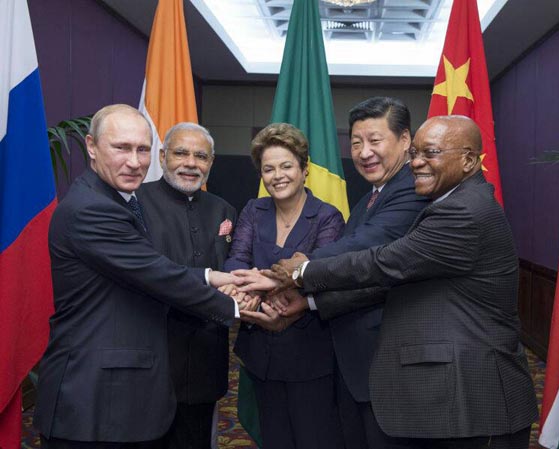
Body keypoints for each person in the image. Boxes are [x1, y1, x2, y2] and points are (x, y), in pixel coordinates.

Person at [249, 116, 539, 449]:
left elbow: (384, 262)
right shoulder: (447, 203)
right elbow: (400, 281)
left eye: (431, 153)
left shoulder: (463, 211)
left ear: (469, 160)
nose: (416, 162)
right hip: (455, 400)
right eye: (415, 153)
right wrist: (311, 302)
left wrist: (303, 272)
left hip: (476, 399)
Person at [33, 104, 253, 449]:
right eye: (121, 148)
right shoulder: (93, 208)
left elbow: (149, 270)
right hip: (93, 402)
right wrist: (240, 308)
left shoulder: (115, 199)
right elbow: (157, 275)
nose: (135, 162)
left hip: (119, 397)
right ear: (91, 146)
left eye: (142, 149)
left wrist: (212, 276)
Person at [240, 96, 428, 449]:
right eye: (356, 143)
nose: (364, 152)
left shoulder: (411, 191)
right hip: (354, 363)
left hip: (384, 365)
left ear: (405, 140)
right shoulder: (370, 198)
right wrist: (305, 302)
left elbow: (363, 251)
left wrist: (292, 273)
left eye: (375, 140)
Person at [223, 123, 345, 449]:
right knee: (273, 438)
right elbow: (236, 260)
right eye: (269, 169)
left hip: (309, 354)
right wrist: (248, 290)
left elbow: (321, 273)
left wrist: (261, 285)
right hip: (259, 354)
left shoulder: (327, 217)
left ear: (304, 170)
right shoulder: (254, 209)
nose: (277, 176)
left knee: (314, 439)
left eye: (286, 166)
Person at [137, 123, 236, 449]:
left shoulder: (224, 209)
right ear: (162, 156)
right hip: (153, 358)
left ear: (211, 162)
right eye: (181, 153)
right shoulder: (135, 204)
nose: (191, 163)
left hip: (206, 358)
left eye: (201, 156)